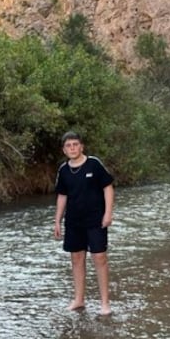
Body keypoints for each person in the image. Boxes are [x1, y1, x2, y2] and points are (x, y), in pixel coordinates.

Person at [53, 131, 114, 315]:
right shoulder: (63, 170)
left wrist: (108, 213)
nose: (72, 148)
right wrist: (57, 221)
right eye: (68, 146)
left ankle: (105, 303)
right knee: (77, 259)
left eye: (75, 144)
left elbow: (108, 188)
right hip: (73, 221)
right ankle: (79, 300)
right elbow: (62, 196)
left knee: (99, 258)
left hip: (96, 219)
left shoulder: (94, 164)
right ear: (64, 150)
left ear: (81, 146)